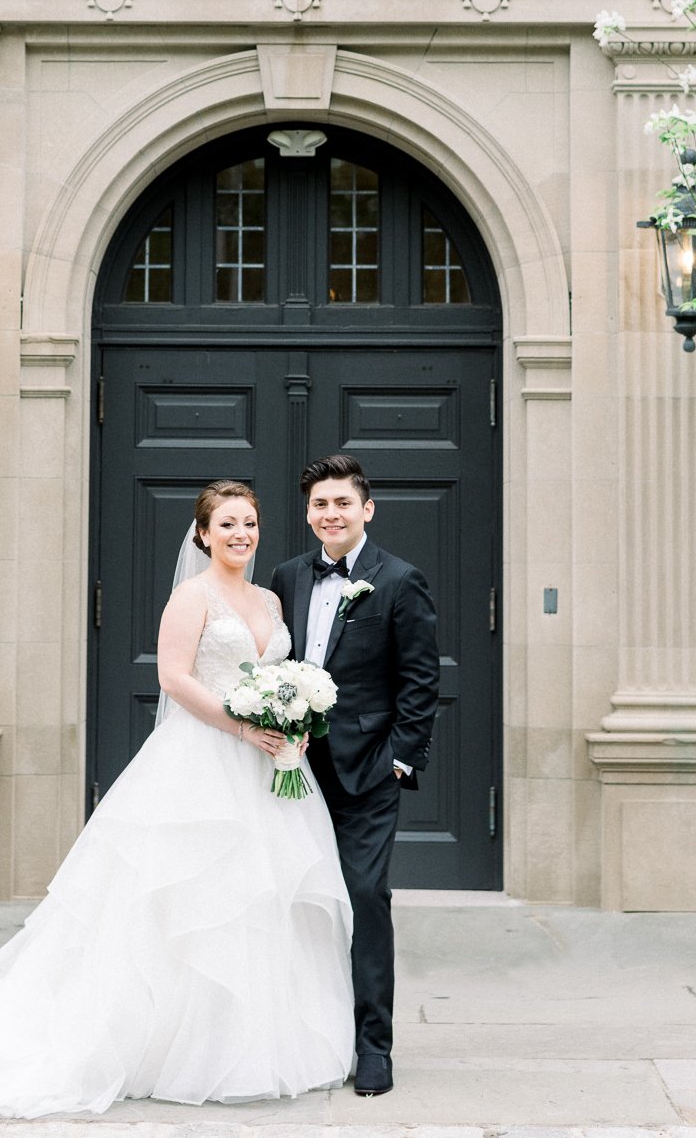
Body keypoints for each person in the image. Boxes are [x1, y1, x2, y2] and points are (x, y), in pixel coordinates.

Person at [0, 481, 354, 1118]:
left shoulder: (270, 601)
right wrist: (241, 725)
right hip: (203, 761)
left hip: (270, 771)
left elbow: (284, 676)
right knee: (190, 898)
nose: (240, 534)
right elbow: (173, 677)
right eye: (226, 523)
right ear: (203, 534)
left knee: (263, 900)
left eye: (249, 523)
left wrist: (290, 722)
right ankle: (166, 1045)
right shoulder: (190, 597)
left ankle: (253, 1045)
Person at [270, 453, 439, 1099]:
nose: (330, 514)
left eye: (341, 503)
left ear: (365, 509)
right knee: (293, 903)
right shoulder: (286, 576)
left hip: (365, 772)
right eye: (319, 504)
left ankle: (373, 1047)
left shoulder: (398, 580)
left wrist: (398, 761)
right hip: (289, 773)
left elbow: (420, 681)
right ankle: (301, 1033)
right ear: (308, 513)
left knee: (364, 901)